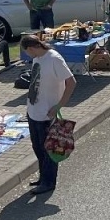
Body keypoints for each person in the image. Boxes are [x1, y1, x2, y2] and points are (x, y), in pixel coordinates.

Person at [22, 33, 76, 193]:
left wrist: (59, 106)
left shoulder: (54, 59)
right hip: (34, 111)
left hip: (47, 112)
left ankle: (49, 182)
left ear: (32, 48)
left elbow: (71, 82)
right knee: (38, 147)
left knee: (49, 149)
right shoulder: (37, 58)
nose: (27, 55)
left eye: (27, 51)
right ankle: (43, 177)